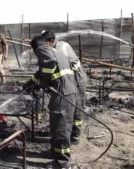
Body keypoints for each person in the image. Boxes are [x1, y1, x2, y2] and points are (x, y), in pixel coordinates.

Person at [24, 35, 77, 168]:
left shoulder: (42, 48)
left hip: (62, 93)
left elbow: (49, 65)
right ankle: (55, 152)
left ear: (36, 46)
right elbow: (42, 71)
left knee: (61, 127)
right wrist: (30, 84)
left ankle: (62, 162)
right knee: (56, 125)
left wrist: (42, 84)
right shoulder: (54, 50)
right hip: (65, 91)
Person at [41, 31, 88, 144]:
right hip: (70, 79)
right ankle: (68, 132)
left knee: (76, 107)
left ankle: (75, 135)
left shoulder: (60, 48)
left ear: (51, 41)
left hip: (77, 80)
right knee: (70, 107)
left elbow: (60, 68)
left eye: (45, 44)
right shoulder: (55, 48)